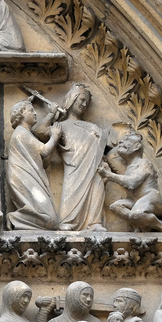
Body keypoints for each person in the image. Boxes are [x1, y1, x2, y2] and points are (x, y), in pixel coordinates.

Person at [54, 84, 107, 231]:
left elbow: (101, 144)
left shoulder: (93, 127)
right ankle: (68, 220)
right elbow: (41, 132)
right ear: (71, 98)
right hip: (74, 166)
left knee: (97, 183)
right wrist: (51, 114)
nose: (84, 104)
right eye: (81, 100)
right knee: (71, 189)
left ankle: (94, 222)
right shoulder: (61, 125)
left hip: (95, 166)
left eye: (86, 102)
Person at [6, 99, 62, 230]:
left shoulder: (26, 134)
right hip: (24, 178)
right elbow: (44, 151)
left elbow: (44, 162)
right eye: (31, 110)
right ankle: (14, 218)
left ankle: (18, 220)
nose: (35, 113)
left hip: (29, 177)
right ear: (21, 115)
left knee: (50, 220)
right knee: (50, 221)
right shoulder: (21, 133)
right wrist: (55, 136)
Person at [39, 280, 105, 322]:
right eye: (84, 295)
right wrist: (44, 311)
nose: (88, 299)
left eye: (91, 296)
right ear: (72, 296)